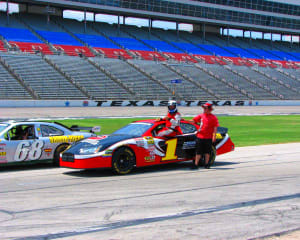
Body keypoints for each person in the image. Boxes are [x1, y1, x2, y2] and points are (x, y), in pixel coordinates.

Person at [192, 103, 219, 169]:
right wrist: (184, 120)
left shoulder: (213, 117)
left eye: (205, 108)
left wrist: (214, 136)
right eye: (203, 108)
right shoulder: (201, 116)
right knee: (198, 151)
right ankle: (196, 165)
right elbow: (193, 120)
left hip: (208, 137)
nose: (204, 109)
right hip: (200, 136)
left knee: (207, 152)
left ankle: (207, 164)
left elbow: (215, 127)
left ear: (209, 109)